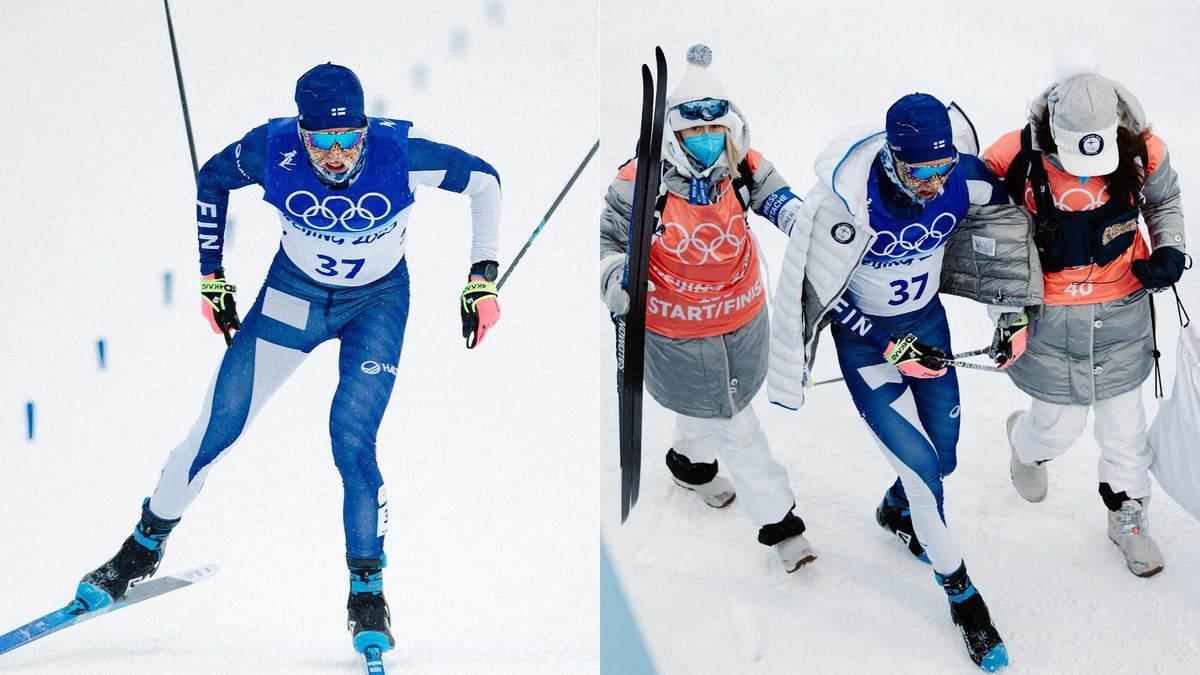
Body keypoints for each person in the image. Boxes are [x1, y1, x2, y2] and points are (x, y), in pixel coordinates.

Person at [73, 63, 503, 655]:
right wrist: (211, 278)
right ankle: (142, 548)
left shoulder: (398, 154)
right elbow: (212, 180)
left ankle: (367, 593)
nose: (334, 153)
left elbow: (485, 180)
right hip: (291, 300)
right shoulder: (268, 150)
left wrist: (482, 278)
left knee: (351, 440)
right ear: (301, 134)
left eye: (347, 137)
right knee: (216, 428)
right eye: (320, 139)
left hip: (375, 307)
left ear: (363, 128)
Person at [769, 93, 1019, 671]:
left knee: (946, 456)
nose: (932, 184)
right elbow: (821, 297)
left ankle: (895, 511)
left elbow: (1006, 239)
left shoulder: (964, 178)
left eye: (942, 168)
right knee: (927, 474)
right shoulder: (846, 203)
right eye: (918, 171)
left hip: (928, 325)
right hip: (868, 345)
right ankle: (963, 596)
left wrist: (1014, 316)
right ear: (891, 156)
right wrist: (886, 345)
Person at [599, 45, 815, 573]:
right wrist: (614, 280)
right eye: (693, 132)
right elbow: (609, 243)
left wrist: (811, 233)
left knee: (715, 406)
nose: (706, 140)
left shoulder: (743, 167)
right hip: (679, 329)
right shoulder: (639, 183)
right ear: (673, 133)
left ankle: (689, 466)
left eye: (715, 129)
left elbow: (785, 205)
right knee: (736, 423)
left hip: (742, 320)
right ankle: (782, 526)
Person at [983, 70, 1187, 578]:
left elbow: (1165, 201)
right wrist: (1007, 312)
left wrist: (1169, 249)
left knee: (1125, 431)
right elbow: (988, 236)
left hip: (1123, 312)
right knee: (1057, 427)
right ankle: (1027, 449)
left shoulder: (1145, 151)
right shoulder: (1013, 156)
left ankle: (1128, 516)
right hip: (1049, 316)